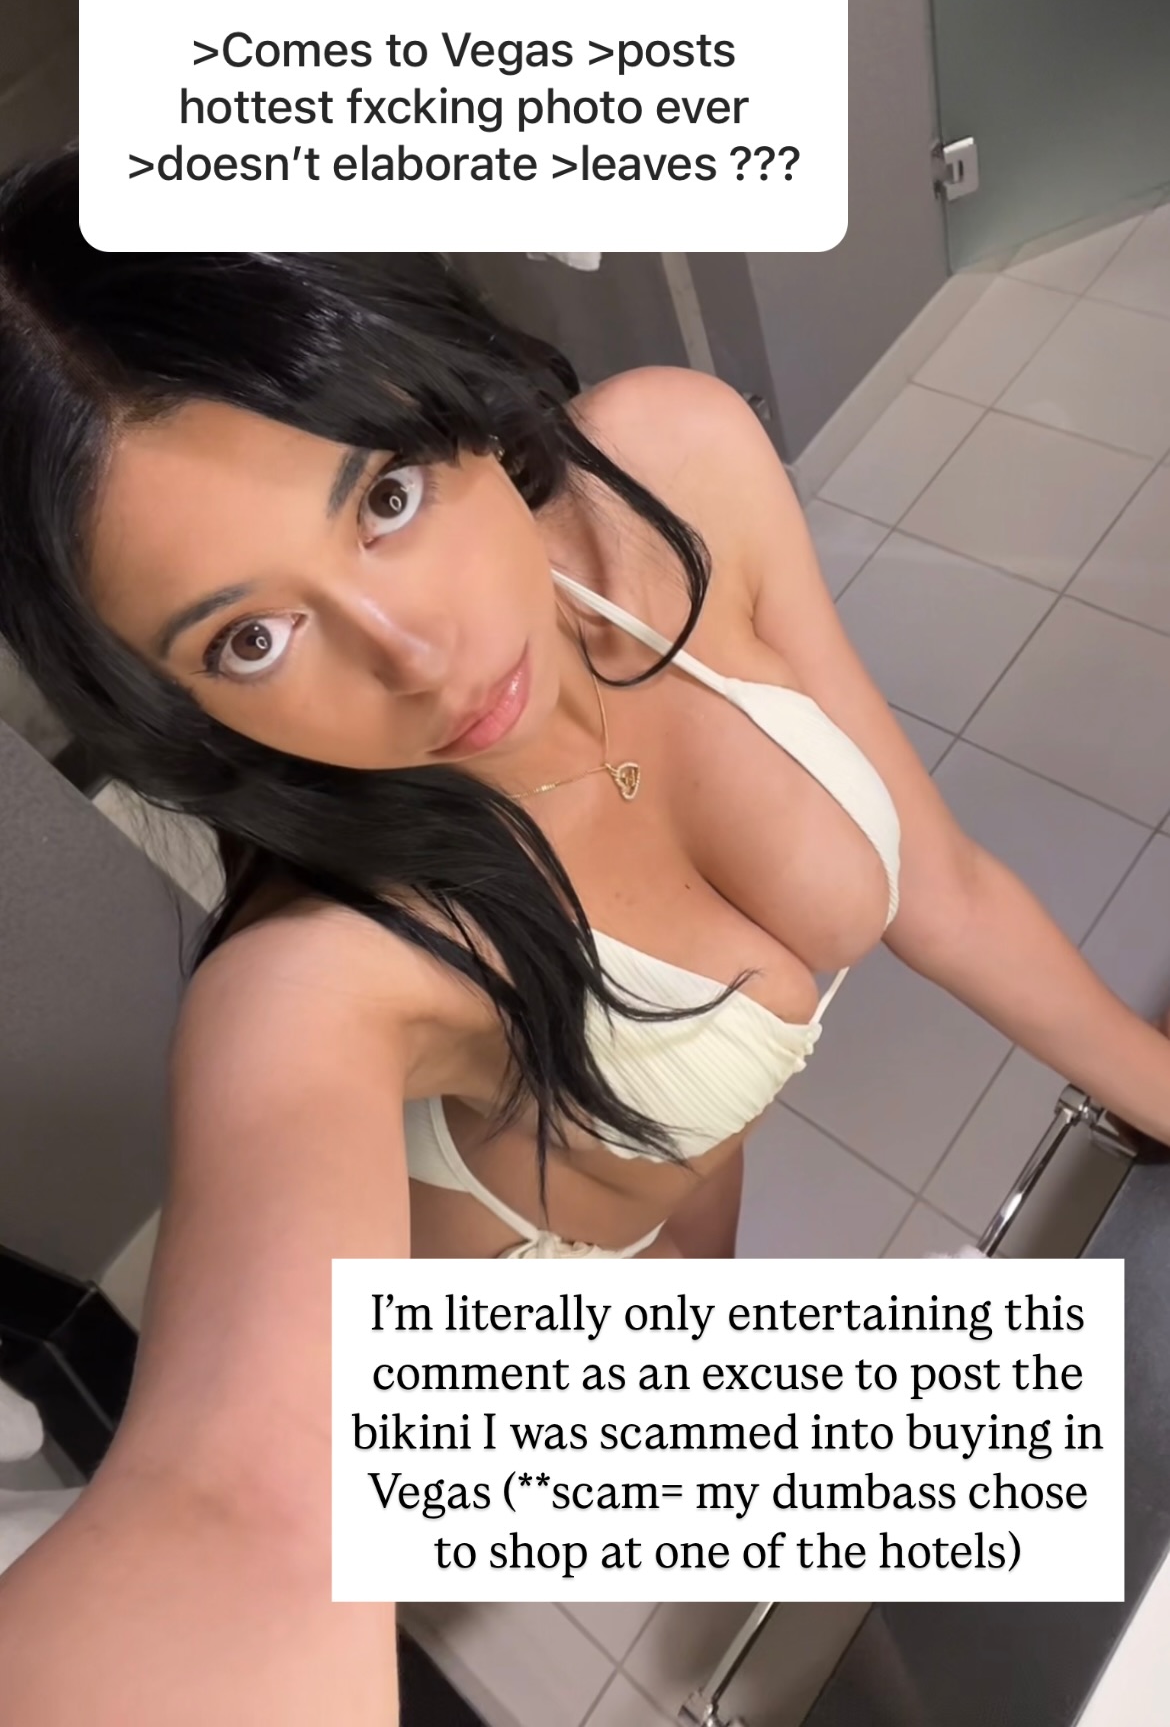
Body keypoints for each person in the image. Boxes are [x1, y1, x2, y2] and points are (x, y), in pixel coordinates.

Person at [0, 147, 1166, 1721]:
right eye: (253, 636)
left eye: (384, 494)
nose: (417, 657)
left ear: (433, 377)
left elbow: (941, 884)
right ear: (170, 703)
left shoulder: (675, 461)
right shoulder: (320, 976)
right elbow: (231, 1505)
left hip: (664, 1159)